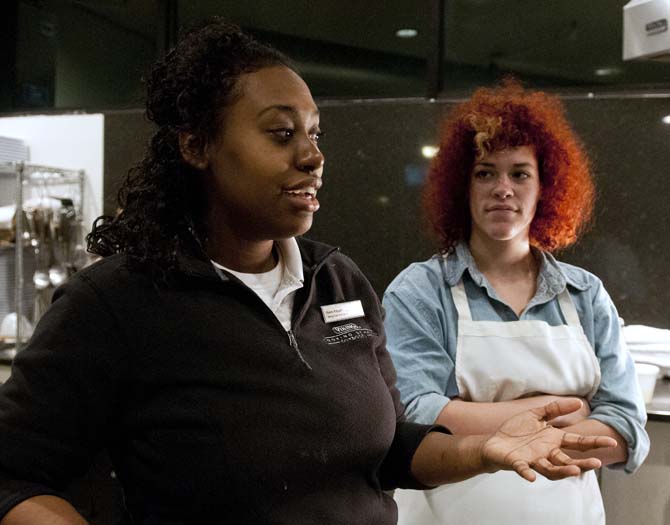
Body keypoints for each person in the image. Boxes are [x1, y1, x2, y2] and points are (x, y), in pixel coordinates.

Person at [0, 22, 617, 525]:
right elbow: (14, 473)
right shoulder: (119, 301)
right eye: (281, 133)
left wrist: (480, 450)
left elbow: (388, 449)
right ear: (196, 146)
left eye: (315, 134)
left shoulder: (338, 281)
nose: (313, 156)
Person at [383, 79, 649, 525]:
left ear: (546, 187)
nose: (502, 188)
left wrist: (479, 419)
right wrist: (563, 411)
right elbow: (417, 415)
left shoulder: (584, 294)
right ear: (461, 188)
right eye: (485, 172)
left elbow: (625, 428)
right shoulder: (421, 291)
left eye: (519, 173)